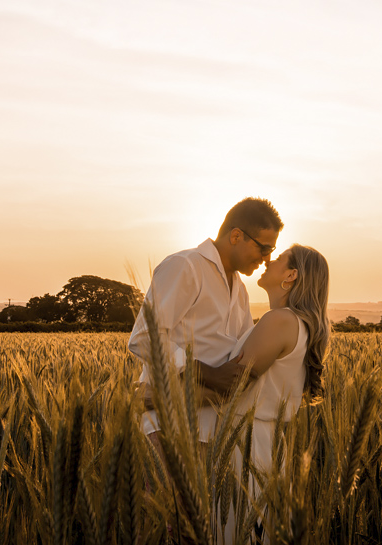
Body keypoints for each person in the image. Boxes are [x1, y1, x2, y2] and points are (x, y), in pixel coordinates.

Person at [128, 197, 284, 444]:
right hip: (168, 424)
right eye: (263, 248)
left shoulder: (240, 290)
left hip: (214, 429)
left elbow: (240, 355)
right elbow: (144, 338)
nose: (266, 258)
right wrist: (206, 373)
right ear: (236, 236)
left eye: (271, 251)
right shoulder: (185, 266)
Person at [213, 244, 331, 544]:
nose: (267, 260)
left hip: (244, 444)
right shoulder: (296, 323)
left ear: (291, 275)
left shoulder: (280, 321)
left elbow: (233, 382)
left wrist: (158, 396)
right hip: (261, 443)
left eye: (277, 259)